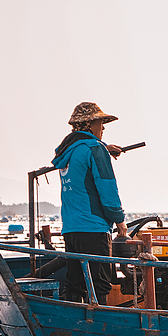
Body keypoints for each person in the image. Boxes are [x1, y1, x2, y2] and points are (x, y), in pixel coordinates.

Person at [52, 102, 129, 302]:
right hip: (93, 228)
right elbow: (107, 189)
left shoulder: (67, 152)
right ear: (89, 125)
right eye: (100, 123)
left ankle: (73, 324)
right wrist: (119, 220)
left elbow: (83, 157)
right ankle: (101, 326)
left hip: (71, 229)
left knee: (75, 283)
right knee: (100, 285)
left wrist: (104, 148)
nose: (103, 127)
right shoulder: (94, 149)